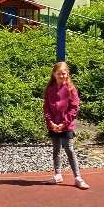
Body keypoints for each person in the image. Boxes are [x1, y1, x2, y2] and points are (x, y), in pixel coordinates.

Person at [43, 61, 89, 189]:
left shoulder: (71, 89)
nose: (62, 76)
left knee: (69, 149)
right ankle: (57, 174)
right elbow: (46, 107)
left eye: (64, 73)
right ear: (54, 74)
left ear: (67, 74)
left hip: (67, 125)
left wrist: (64, 123)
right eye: (59, 73)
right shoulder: (49, 89)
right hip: (53, 125)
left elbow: (74, 108)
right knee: (56, 149)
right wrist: (51, 122)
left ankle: (78, 177)